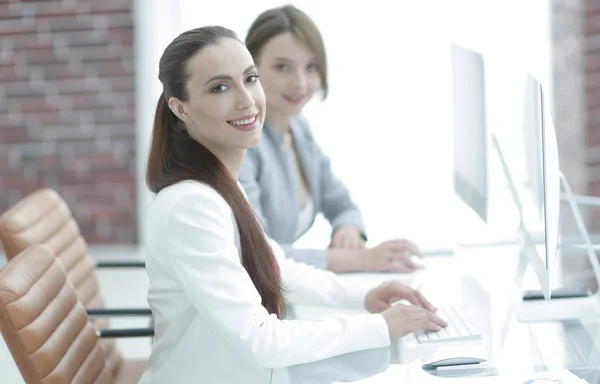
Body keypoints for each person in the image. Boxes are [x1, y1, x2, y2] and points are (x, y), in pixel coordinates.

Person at [139, 25, 446, 384]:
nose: (246, 99)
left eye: (249, 79)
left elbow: (276, 267)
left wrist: (366, 295)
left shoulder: (221, 185)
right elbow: (262, 340)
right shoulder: (190, 206)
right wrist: (379, 327)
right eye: (220, 87)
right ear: (180, 108)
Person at [240, 5, 422, 274]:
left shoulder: (298, 128)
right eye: (282, 67)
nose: (301, 83)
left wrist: (348, 229)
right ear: (250, 71)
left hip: (283, 296)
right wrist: (358, 260)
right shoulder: (242, 146)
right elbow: (258, 254)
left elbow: (343, 204)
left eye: (311, 67)